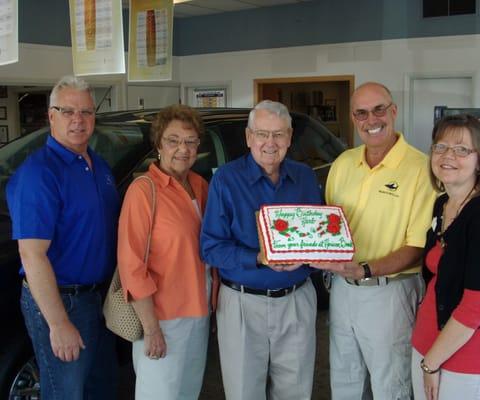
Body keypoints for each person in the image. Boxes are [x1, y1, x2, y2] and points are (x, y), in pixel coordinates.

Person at [6, 75, 119, 399]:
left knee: (102, 387)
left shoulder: (97, 165)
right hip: (63, 301)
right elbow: (32, 255)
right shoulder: (39, 174)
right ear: (50, 116)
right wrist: (58, 324)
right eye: (68, 111)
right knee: (66, 392)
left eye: (86, 112)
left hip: (99, 299)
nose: (78, 120)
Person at [200, 100, 321, 400]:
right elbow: (210, 248)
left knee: (296, 391)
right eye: (262, 134)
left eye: (279, 135)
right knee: (243, 392)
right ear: (248, 137)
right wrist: (257, 258)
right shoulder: (225, 179)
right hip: (242, 303)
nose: (270, 143)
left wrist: (310, 257)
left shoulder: (305, 177)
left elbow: (317, 235)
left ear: (290, 138)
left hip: (296, 299)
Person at [324, 82, 436, 399]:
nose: (371, 120)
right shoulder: (343, 163)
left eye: (378, 110)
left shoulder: (421, 169)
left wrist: (365, 270)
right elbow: (330, 229)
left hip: (390, 294)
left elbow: (417, 248)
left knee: (392, 385)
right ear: (353, 118)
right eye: (361, 113)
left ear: (393, 111)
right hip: (342, 291)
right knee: (344, 379)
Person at [411, 114, 480, 400]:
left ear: (479, 160)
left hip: (467, 357)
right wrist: (426, 357)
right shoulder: (442, 203)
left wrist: (431, 364)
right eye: (440, 147)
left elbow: (476, 306)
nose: (448, 156)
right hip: (425, 345)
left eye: (461, 149)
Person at [117, 105, 215, 399]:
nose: (182, 149)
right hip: (162, 319)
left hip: (199, 315)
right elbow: (131, 265)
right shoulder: (144, 191)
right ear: (158, 144)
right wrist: (151, 328)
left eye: (190, 141)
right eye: (173, 141)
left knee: (187, 393)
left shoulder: (200, 185)